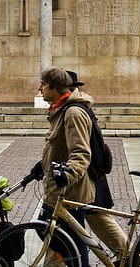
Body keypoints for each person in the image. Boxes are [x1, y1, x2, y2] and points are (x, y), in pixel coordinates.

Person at [35, 67, 95, 267]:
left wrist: (68, 174)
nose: (39, 88)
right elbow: (58, 146)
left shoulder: (72, 113)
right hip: (58, 189)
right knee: (53, 233)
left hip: (70, 192)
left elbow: (81, 153)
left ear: (55, 87)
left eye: (43, 84)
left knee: (74, 245)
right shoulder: (60, 110)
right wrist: (41, 166)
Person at [67, 71, 127, 259]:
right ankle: (128, 256)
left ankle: (129, 257)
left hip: (88, 176)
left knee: (98, 219)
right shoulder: (77, 107)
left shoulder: (75, 110)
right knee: (93, 220)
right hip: (86, 175)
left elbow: (81, 150)